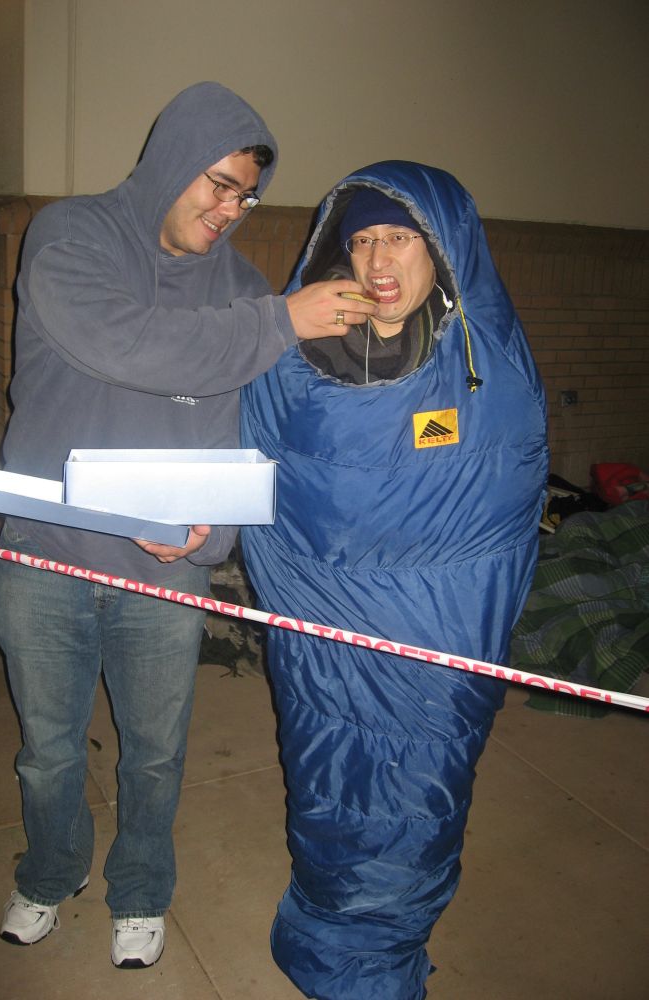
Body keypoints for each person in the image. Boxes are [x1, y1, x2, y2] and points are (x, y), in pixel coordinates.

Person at [0, 81, 374, 970]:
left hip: (164, 568)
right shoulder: (69, 237)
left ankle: (143, 891)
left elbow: (227, 424)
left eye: (246, 195)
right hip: (45, 555)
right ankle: (49, 872)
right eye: (217, 183)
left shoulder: (236, 287)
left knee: (154, 757)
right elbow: (129, 344)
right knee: (48, 754)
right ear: (170, 160)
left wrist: (207, 525)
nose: (230, 209)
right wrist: (281, 320)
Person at [240, 163, 549, 998]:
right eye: (363, 238)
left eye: (400, 237)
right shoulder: (296, 348)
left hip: (435, 641)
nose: (378, 258)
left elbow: (508, 496)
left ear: (442, 249)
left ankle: (372, 959)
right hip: (322, 626)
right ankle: (324, 926)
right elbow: (257, 466)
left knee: (416, 796)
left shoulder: (487, 359)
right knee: (325, 778)